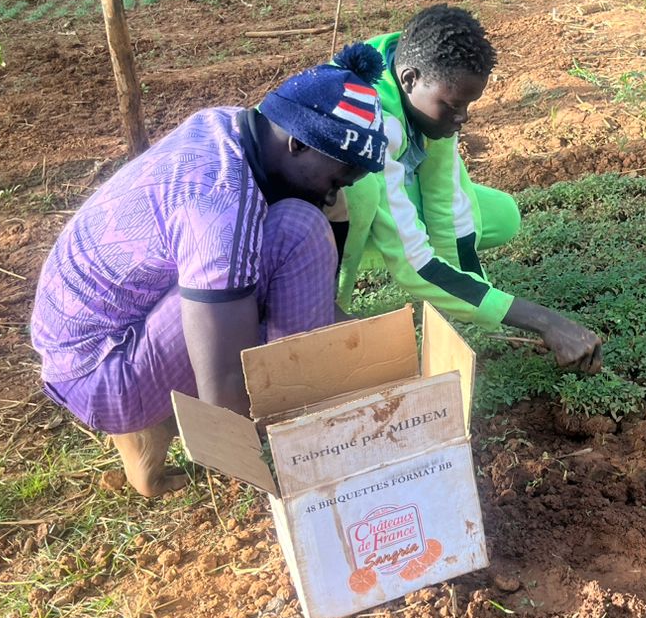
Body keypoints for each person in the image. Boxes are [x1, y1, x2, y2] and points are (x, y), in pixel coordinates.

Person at [31, 44, 389, 495]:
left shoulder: (225, 129)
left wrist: (375, 346)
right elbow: (223, 393)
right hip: (103, 372)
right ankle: (167, 415)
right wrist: (305, 460)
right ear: (298, 142)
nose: (335, 197)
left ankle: (149, 428)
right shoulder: (221, 210)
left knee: (270, 258)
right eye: (335, 181)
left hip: (85, 349)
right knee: (298, 230)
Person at [333, 4, 603, 373]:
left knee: (500, 215)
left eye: (468, 106)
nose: (463, 119)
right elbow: (414, 262)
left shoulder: (428, 89)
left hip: (390, 187)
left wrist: (480, 303)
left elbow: (447, 207)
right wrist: (544, 321)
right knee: (360, 196)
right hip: (320, 217)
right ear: (410, 79)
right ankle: (328, 315)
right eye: (454, 106)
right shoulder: (369, 116)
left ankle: (455, 299)